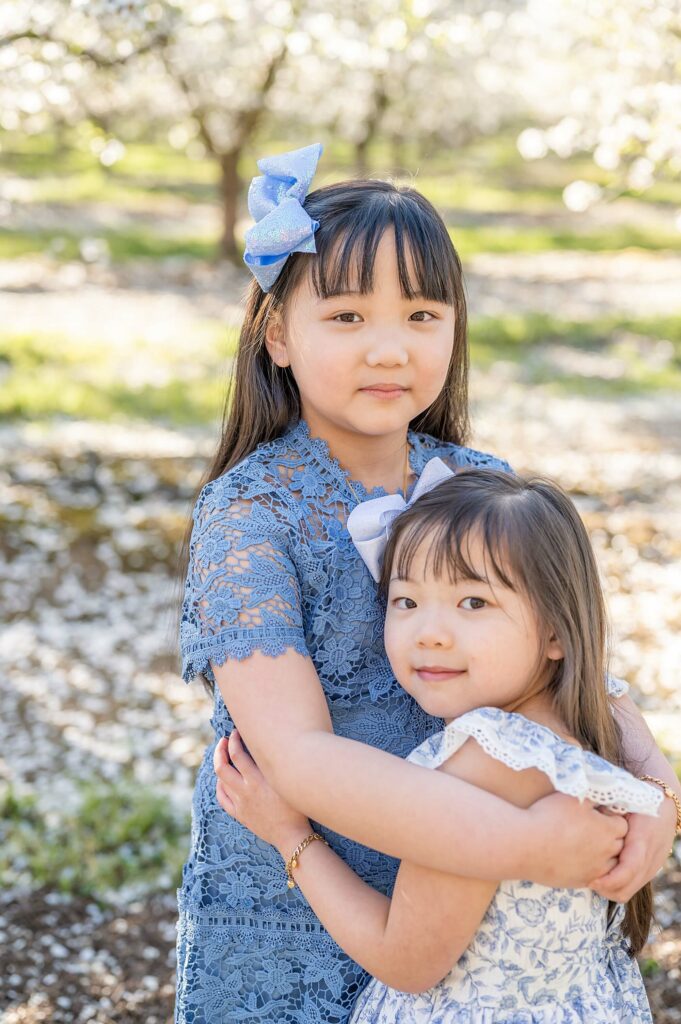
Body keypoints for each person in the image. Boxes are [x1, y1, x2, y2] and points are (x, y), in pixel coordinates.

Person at [176, 143, 679, 1023]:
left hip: (458, 924)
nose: (388, 349)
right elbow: (297, 759)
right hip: (293, 921)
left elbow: (562, 659)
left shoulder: (475, 479)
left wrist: (654, 789)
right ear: (278, 333)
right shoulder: (249, 515)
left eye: (420, 314)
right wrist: (525, 843)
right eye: (345, 317)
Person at [215, 467, 672, 1023]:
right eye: (406, 601)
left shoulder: (486, 763)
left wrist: (291, 838)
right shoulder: (593, 714)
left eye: (473, 603)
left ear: (557, 630)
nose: (429, 632)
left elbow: (405, 961)